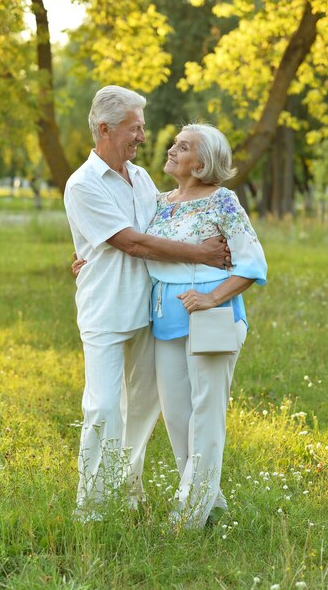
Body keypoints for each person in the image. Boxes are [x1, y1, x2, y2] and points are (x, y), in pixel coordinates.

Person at [64, 86, 230, 520]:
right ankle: (94, 507)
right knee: (102, 405)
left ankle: (128, 491)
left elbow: (169, 224)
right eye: (135, 127)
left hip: (149, 311)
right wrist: (203, 254)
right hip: (105, 309)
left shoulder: (139, 178)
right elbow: (133, 242)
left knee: (141, 408)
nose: (143, 136)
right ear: (105, 128)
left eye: (141, 126)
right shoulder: (82, 184)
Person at [144, 123, 267, 528]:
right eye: (175, 143)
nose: (172, 149)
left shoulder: (223, 201)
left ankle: (188, 516)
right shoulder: (160, 202)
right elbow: (137, 247)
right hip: (165, 318)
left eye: (184, 146)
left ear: (201, 163)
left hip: (212, 318)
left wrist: (212, 299)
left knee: (206, 415)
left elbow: (253, 263)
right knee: (177, 416)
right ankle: (208, 503)